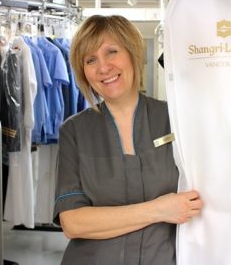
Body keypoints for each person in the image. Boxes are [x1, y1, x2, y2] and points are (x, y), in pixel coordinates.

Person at [53, 14, 203, 265]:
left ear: (133, 54)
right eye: (91, 60)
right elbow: (73, 223)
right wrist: (160, 209)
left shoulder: (177, 119)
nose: (103, 67)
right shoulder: (75, 131)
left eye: (111, 52)